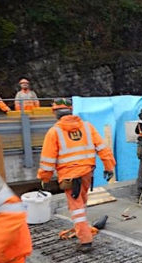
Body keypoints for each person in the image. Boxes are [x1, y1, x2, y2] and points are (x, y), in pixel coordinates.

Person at [37, 99, 116, 251]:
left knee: (76, 208)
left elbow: (47, 159)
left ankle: (85, 240)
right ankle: (83, 228)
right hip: (87, 172)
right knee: (81, 202)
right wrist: (108, 166)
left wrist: (44, 178)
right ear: (71, 110)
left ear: (55, 112)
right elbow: (103, 148)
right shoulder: (87, 127)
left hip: (69, 176)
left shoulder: (54, 132)